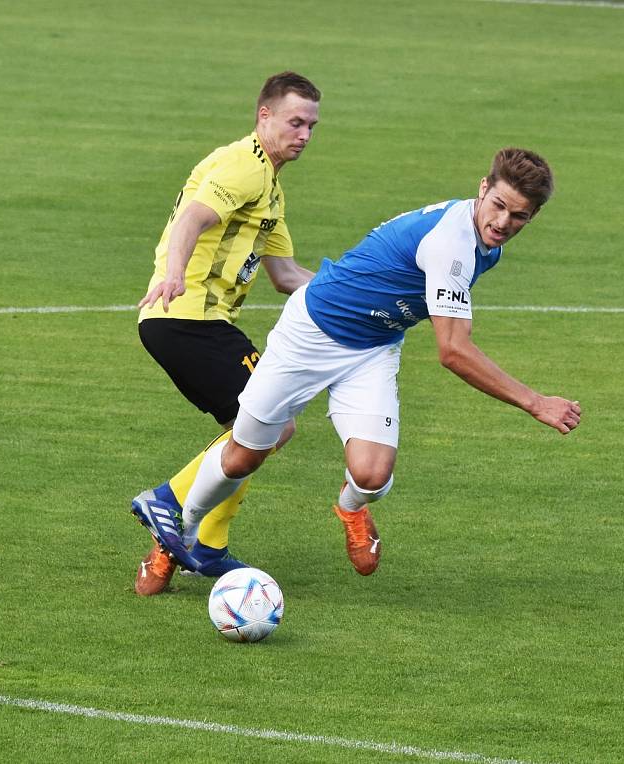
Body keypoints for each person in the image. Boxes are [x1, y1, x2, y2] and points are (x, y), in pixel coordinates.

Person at [140, 147, 582, 578]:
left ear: (532, 217)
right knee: (243, 457)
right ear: (483, 189)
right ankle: (179, 533)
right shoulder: (451, 242)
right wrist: (535, 402)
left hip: (373, 349)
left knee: (371, 475)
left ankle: (350, 508)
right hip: (309, 334)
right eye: (499, 205)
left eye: (519, 216)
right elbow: (454, 352)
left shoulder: (484, 240)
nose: (503, 222)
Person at [130, 71, 321, 595]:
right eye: (294, 121)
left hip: (198, 325)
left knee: (260, 428)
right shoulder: (243, 166)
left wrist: (356, 291)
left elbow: (287, 277)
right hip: (187, 317)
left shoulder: (271, 190)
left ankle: (206, 543)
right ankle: (168, 503)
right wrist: (173, 273)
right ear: (264, 116)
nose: (303, 134)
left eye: (311, 126)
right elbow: (191, 219)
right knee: (267, 425)